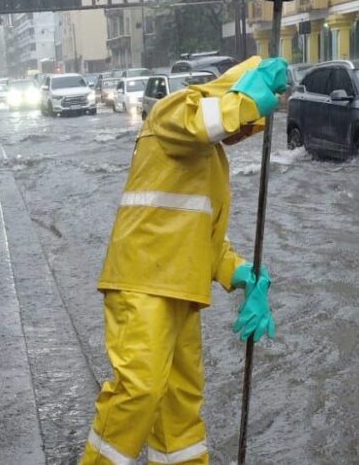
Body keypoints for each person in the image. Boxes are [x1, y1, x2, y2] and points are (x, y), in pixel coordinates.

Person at [80, 56, 288, 465]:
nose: (243, 133)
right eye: (245, 123)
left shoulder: (213, 161)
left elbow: (206, 240)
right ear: (233, 91)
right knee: (140, 390)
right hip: (141, 282)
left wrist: (243, 275)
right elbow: (204, 122)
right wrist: (249, 99)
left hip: (182, 292)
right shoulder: (173, 109)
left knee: (180, 406)